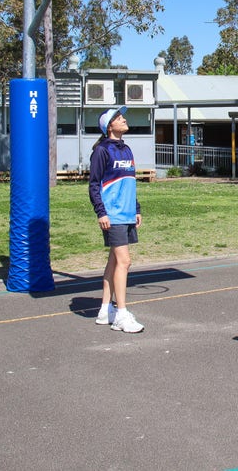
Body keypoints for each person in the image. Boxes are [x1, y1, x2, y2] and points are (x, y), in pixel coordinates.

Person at [89, 105, 144, 334]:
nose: (123, 120)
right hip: (113, 214)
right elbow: (93, 184)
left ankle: (105, 310)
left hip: (126, 212)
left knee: (114, 261)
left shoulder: (127, 149)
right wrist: (101, 212)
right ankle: (121, 314)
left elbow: (130, 182)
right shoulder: (102, 151)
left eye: (123, 117)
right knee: (125, 262)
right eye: (118, 118)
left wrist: (136, 208)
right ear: (109, 126)